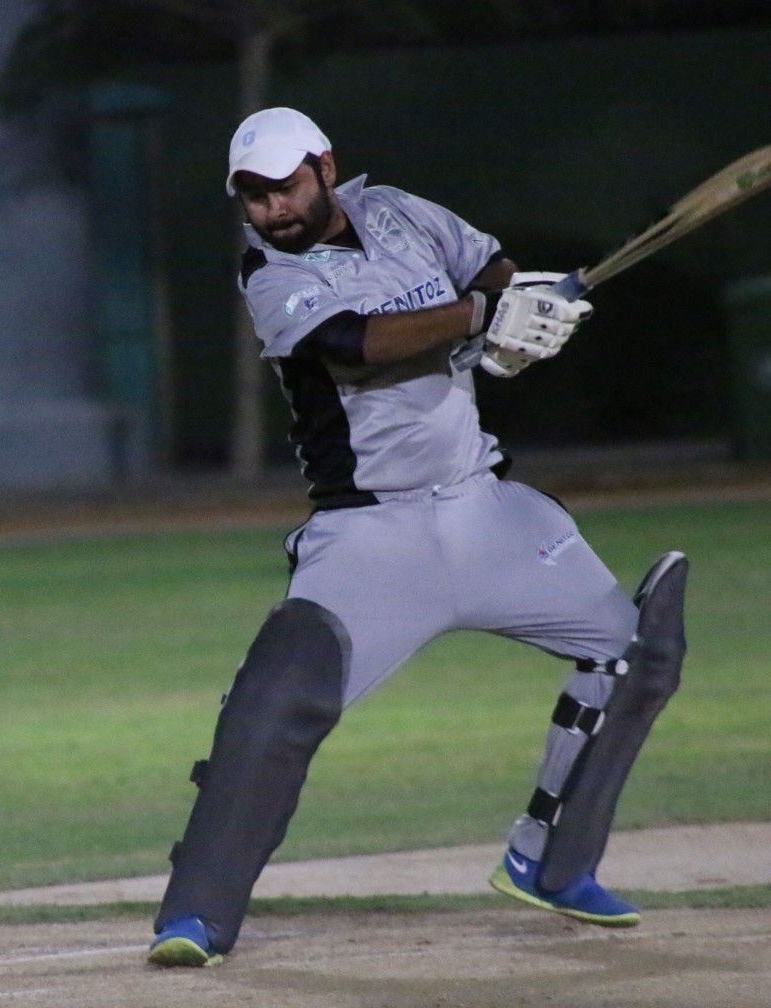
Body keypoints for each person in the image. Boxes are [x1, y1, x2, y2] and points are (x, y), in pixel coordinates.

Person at [148, 108, 688, 967]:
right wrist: (482, 317)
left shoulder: (400, 212)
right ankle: (195, 918)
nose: (271, 210)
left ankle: (551, 864)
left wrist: (524, 313)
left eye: (284, 187)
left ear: (326, 168)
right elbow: (357, 344)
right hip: (370, 539)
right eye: (253, 197)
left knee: (636, 653)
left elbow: (490, 270)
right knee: (272, 710)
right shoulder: (269, 273)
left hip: (485, 513)